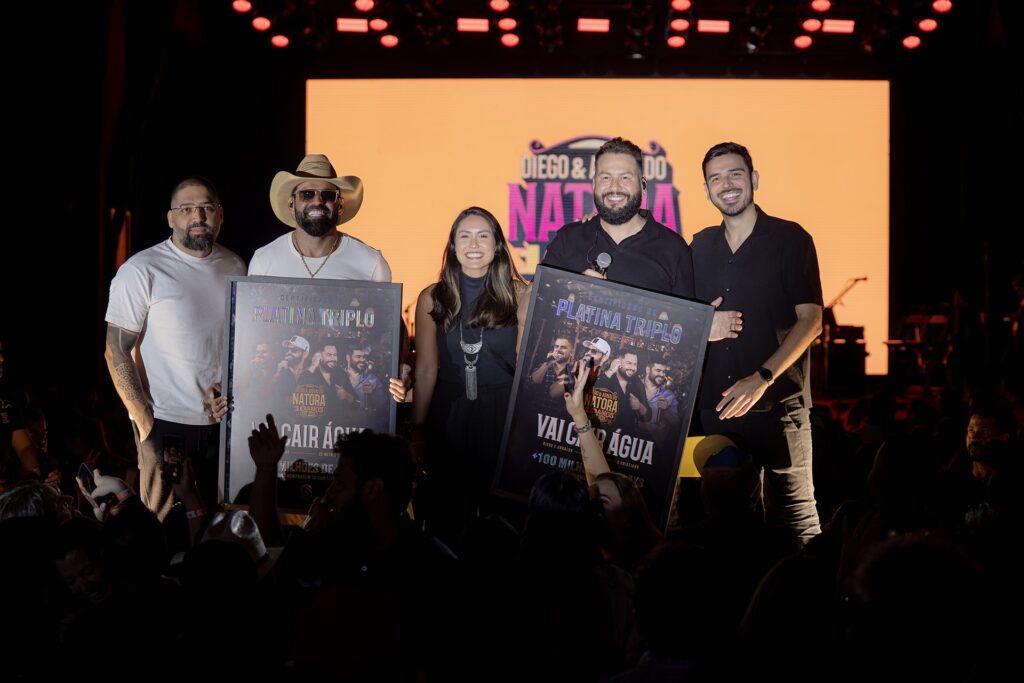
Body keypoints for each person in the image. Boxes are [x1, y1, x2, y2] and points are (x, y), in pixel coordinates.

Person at [690, 141, 824, 544]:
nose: (726, 184)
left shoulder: (790, 238)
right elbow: (676, 318)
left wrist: (761, 377)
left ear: (754, 179)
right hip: (715, 411)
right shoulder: (697, 246)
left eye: (735, 174)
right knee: (718, 528)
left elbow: (812, 320)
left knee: (797, 521)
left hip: (780, 407)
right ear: (706, 189)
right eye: (716, 178)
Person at [104, 176, 245, 520]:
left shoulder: (236, 267)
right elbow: (116, 350)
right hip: (164, 425)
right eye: (186, 209)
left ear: (220, 215)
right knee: (164, 527)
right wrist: (145, 422)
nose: (197, 216)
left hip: (220, 421)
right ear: (171, 218)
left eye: (206, 207)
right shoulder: (141, 269)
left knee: (215, 522)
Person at [390, 206, 528, 545]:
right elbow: (425, 368)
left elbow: (526, 368)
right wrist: (418, 430)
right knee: (445, 521)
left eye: (483, 235)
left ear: (497, 245)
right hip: (449, 415)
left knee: (505, 522)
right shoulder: (431, 298)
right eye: (464, 235)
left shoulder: (520, 294)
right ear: (452, 245)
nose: (474, 243)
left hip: (503, 416)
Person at [540, 137, 742, 343]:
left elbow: (681, 332)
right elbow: (534, 308)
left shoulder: (673, 249)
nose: (614, 187)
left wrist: (699, 330)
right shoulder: (568, 238)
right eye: (605, 178)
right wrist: (572, 290)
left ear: (643, 185)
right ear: (594, 184)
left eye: (625, 178)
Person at [248, 153, 391, 281]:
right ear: (291, 204)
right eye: (307, 194)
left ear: (340, 205)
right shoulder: (264, 262)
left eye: (327, 195)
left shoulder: (372, 265)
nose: (317, 201)